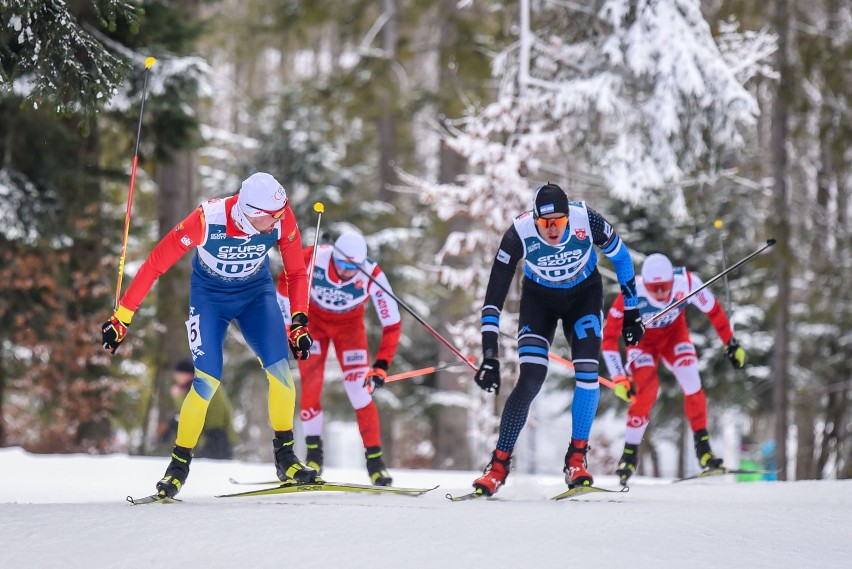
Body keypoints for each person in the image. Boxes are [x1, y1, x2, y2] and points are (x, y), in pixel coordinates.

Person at [101, 172, 319, 499]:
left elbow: (297, 271)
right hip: (210, 298)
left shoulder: (280, 217)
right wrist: (123, 317)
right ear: (249, 212)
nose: (279, 221)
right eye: (271, 216)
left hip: (255, 295)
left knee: (281, 373)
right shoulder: (207, 220)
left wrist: (299, 320)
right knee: (207, 381)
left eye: (281, 213)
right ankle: (178, 467)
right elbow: (155, 264)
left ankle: (285, 458)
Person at [470, 183, 644, 496]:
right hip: (540, 302)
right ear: (534, 220)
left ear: (568, 218)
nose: (552, 230)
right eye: (545, 224)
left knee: (588, 373)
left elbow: (622, 258)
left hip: (584, 297)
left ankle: (576, 459)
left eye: (559, 222)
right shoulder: (519, 233)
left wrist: (632, 312)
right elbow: (493, 299)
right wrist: (489, 356)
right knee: (532, 378)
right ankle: (498, 466)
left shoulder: (586, 220)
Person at [601, 252, 746, 485]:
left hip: (674, 338)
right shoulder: (631, 292)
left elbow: (714, 310)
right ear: (645, 283)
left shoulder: (687, 283)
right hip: (643, 345)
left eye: (664, 287)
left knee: (692, 381)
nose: (659, 293)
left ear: (672, 280)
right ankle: (629, 455)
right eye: (654, 288)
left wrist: (730, 343)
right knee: (647, 392)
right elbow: (608, 339)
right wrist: (619, 377)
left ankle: (704, 450)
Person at [276, 231, 402, 486]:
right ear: (334, 256)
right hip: (315, 326)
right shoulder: (314, 258)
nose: (347, 272)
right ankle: (314, 458)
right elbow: (283, 281)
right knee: (311, 386)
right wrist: (291, 328)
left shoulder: (372, 275)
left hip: (350, 330)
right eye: (342, 265)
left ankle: (376, 463)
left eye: (353, 267)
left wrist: (381, 365)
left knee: (359, 391)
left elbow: (392, 323)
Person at [160, 358, 238, 460]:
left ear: (188, 374)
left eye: (179, 374)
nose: (176, 378)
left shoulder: (202, 386)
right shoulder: (194, 386)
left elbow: (192, 411)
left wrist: (177, 397)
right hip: (214, 436)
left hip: (217, 437)